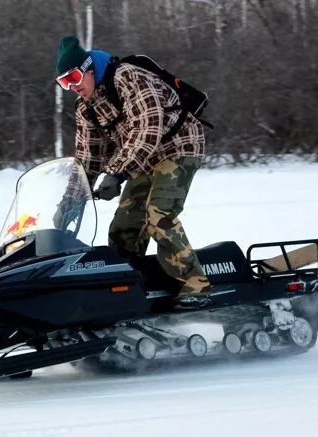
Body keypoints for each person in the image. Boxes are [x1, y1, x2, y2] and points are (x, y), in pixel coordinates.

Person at [54, 35, 209, 302]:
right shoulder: (86, 108)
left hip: (178, 146)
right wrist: (71, 202)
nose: (72, 87)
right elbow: (87, 159)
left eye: (75, 78)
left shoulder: (127, 76)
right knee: (123, 229)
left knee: (158, 215)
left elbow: (149, 127)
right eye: (64, 82)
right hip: (142, 159)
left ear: (90, 68)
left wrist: (116, 172)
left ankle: (196, 284)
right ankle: (133, 288)